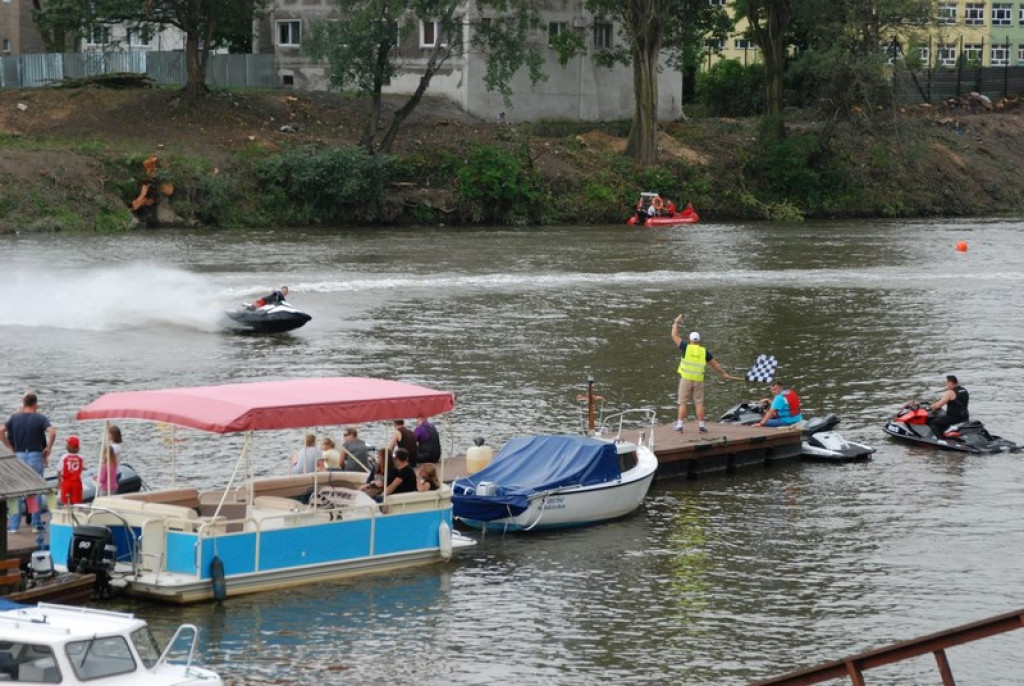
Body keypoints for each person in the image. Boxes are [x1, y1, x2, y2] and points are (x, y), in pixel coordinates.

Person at [670, 314, 739, 433]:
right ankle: (701, 426)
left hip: (686, 379)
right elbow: (714, 364)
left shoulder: (686, 347)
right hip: (698, 380)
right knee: (699, 403)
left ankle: (680, 425)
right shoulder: (704, 352)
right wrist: (724, 373)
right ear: (699, 340)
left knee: (682, 403)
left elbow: (674, 335)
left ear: (690, 339)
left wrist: (676, 322)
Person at [2, 392, 57, 533]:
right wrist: (48, 448)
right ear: (35, 404)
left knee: (16, 490)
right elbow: (52, 432)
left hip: (19, 456)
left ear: (23, 403)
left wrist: (8, 446)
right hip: (35, 455)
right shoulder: (40, 418)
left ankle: (14, 525)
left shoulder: (14, 418)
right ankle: (35, 523)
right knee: (35, 490)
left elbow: (1, 430)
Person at [926, 374, 969, 438]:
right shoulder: (964, 390)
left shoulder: (950, 392)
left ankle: (940, 440)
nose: (946, 385)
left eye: (946, 383)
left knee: (933, 423)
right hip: (965, 417)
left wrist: (930, 407)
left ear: (950, 383)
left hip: (954, 418)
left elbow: (938, 405)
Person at [57, 435, 85, 507]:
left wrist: (59, 481)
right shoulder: (81, 457)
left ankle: (67, 515)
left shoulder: (64, 457)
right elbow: (84, 467)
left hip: (66, 482)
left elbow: (59, 470)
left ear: (69, 446)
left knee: (66, 503)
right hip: (76, 482)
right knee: (77, 503)